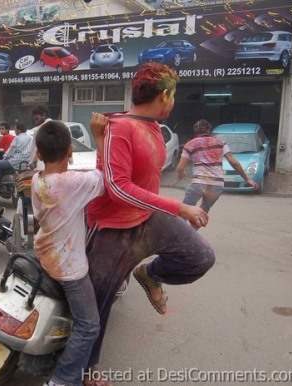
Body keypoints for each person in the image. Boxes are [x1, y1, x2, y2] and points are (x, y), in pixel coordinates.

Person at [84, 63, 216, 374]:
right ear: (165, 95)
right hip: (114, 230)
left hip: (148, 217)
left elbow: (138, 179)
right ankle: (87, 369)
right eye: (174, 95)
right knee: (97, 308)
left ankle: (149, 274)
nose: (174, 102)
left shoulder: (154, 127)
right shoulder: (120, 127)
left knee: (200, 257)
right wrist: (179, 207)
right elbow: (117, 186)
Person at [31, 120, 109, 386]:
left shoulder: (37, 179)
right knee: (89, 326)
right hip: (68, 267)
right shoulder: (73, 183)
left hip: (44, 253)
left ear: (39, 153)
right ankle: (62, 380)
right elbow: (106, 175)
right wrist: (99, 135)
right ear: (70, 153)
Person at [176, 119, 258, 213]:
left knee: (185, 211)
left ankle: (181, 227)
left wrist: (181, 174)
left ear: (195, 131)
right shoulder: (221, 143)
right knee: (202, 213)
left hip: (199, 183)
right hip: (217, 185)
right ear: (209, 130)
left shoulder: (190, 144)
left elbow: (180, 168)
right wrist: (247, 179)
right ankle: (192, 228)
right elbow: (234, 162)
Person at [0, 123, 32, 189]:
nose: (15, 131)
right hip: (26, 163)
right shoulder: (30, 138)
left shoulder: (17, 138)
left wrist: (5, 157)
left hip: (15, 162)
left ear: (19, 130)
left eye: (15, 129)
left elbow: (11, 150)